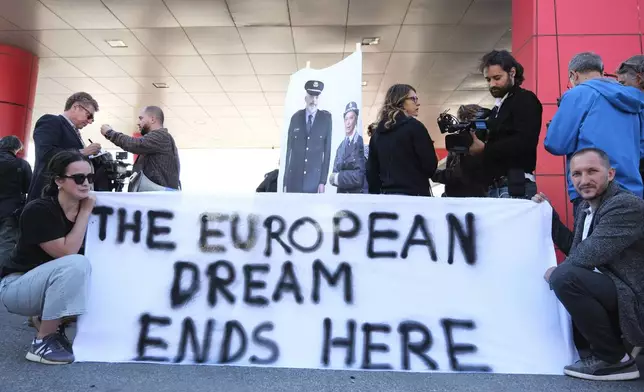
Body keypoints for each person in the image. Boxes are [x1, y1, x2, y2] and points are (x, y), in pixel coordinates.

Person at [533, 148, 644, 381]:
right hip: (613, 289)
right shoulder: (586, 208)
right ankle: (603, 349)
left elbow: (588, 255)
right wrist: (547, 214)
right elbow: (576, 250)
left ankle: (615, 360)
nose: (584, 180)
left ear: (610, 174)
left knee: (565, 277)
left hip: (633, 297)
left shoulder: (626, 205)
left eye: (592, 171)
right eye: (576, 174)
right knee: (566, 275)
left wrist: (559, 273)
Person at [0, 150, 94, 365]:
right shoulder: (39, 210)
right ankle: (43, 342)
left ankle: (50, 321)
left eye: (90, 177)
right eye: (79, 178)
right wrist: (85, 213)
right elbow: (67, 253)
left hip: (46, 284)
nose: (86, 183)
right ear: (59, 180)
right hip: (16, 287)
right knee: (76, 264)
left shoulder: (88, 207)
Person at [546, 52, 644, 220]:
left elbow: (556, 144)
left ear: (573, 75)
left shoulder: (577, 94)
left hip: (591, 188)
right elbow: (640, 148)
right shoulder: (633, 98)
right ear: (601, 70)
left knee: (592, 244)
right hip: (632, 189)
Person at [467, 50, 543, 199]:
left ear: (512, 72)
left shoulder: (525, 99)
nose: (492, 84)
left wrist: (485, 148)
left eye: (497, 78)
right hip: (497, 185)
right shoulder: (497, 108)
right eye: (488, 80)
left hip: (515, 185)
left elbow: (524, 141)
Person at [28, 92, 101, 203]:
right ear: (76, 107)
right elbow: (46, 153)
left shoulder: (74, 132)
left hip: (67, 200)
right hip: (49, 197)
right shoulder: (51, 121)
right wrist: (82, 152)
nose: (90, 121)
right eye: (89, 115)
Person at [366, 84, 437, 196]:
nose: (417, 103)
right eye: (413, 99)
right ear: (400, 101)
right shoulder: (415, 127)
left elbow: (371, 172)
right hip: (415, 197)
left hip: (387, 198)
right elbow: (430, 167)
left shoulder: (377, 134)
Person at [101, 106, 180, 192]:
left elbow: (134, 144)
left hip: (156, 201)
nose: (138, 123)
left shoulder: (161, 136)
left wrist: (109, 133)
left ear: (152, 119)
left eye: (141, 118)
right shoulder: (160, 140)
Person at [283, 80, 333, 193]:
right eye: (311, 96)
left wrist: (322, 181)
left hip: (313, 182)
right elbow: (288, 151)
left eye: (316, 97)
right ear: (306, 98)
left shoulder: (325, 120)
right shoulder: (295, 118)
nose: (313, 101)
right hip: (294, 180)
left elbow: (327, 152)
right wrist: (285, 181)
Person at [432, 105, 489, 197]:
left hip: (469, 198)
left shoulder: (476, 145)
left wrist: (433, 173)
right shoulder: (462, 143)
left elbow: (458, 174)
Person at [0, 136, 32, 261]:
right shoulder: (21, 164)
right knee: (6, 244)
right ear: (17, 148)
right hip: (11, 209)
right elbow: (28, 187)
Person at [329, 101, 366, 193]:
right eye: (346, 119)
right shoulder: (341, 147)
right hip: (341, 197)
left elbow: (359, 177)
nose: (348, 123)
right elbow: (332, 177)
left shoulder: (360, 142)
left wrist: (339, 177)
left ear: (356, 120)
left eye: (351, 118)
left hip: (356, 197)